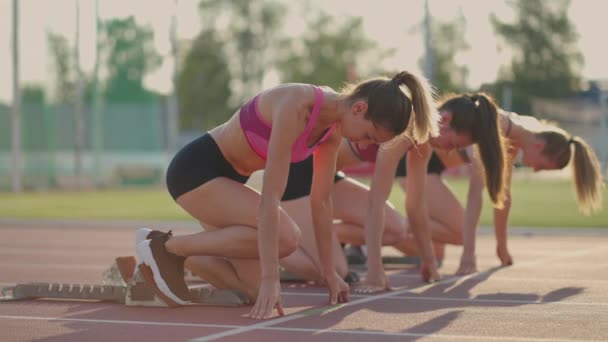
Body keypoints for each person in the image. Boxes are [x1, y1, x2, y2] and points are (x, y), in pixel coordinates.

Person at [135, 71, 439, 319]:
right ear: (359, 108)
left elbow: (321, 201)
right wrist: (272, 277)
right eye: (369, 136)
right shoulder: (296, 105)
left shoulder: (331, 130)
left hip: (228, 184)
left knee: (252, 292)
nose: (364, 145)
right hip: (197, 172)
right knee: (286, 238)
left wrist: (329, 272)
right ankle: (165, 247)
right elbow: (270, 197)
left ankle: (168, 259)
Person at [414, 96, 605, 275]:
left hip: (432, 166)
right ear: (539, 147)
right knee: (458, 233)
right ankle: (394, 227)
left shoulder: (519, 133)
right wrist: (468, 255)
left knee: (439, 250)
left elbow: (502, 196)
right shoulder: (497, 128)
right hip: (420, 163)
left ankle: (398, 229)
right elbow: (475, 194)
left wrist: (502, 246)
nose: (536, 170)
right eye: (542, 166)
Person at [356, 93, 509, 292]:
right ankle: (352, 240)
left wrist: (427, 259)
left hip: (328, 179)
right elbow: (375, 202)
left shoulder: (423, 145)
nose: (448, 151)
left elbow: (416, 205)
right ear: (445, 120)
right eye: (452, 145)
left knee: (420, 241)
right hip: (313, 173)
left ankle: (346, 239)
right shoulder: (407, 129)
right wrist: (374, 273)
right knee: (390, 226)